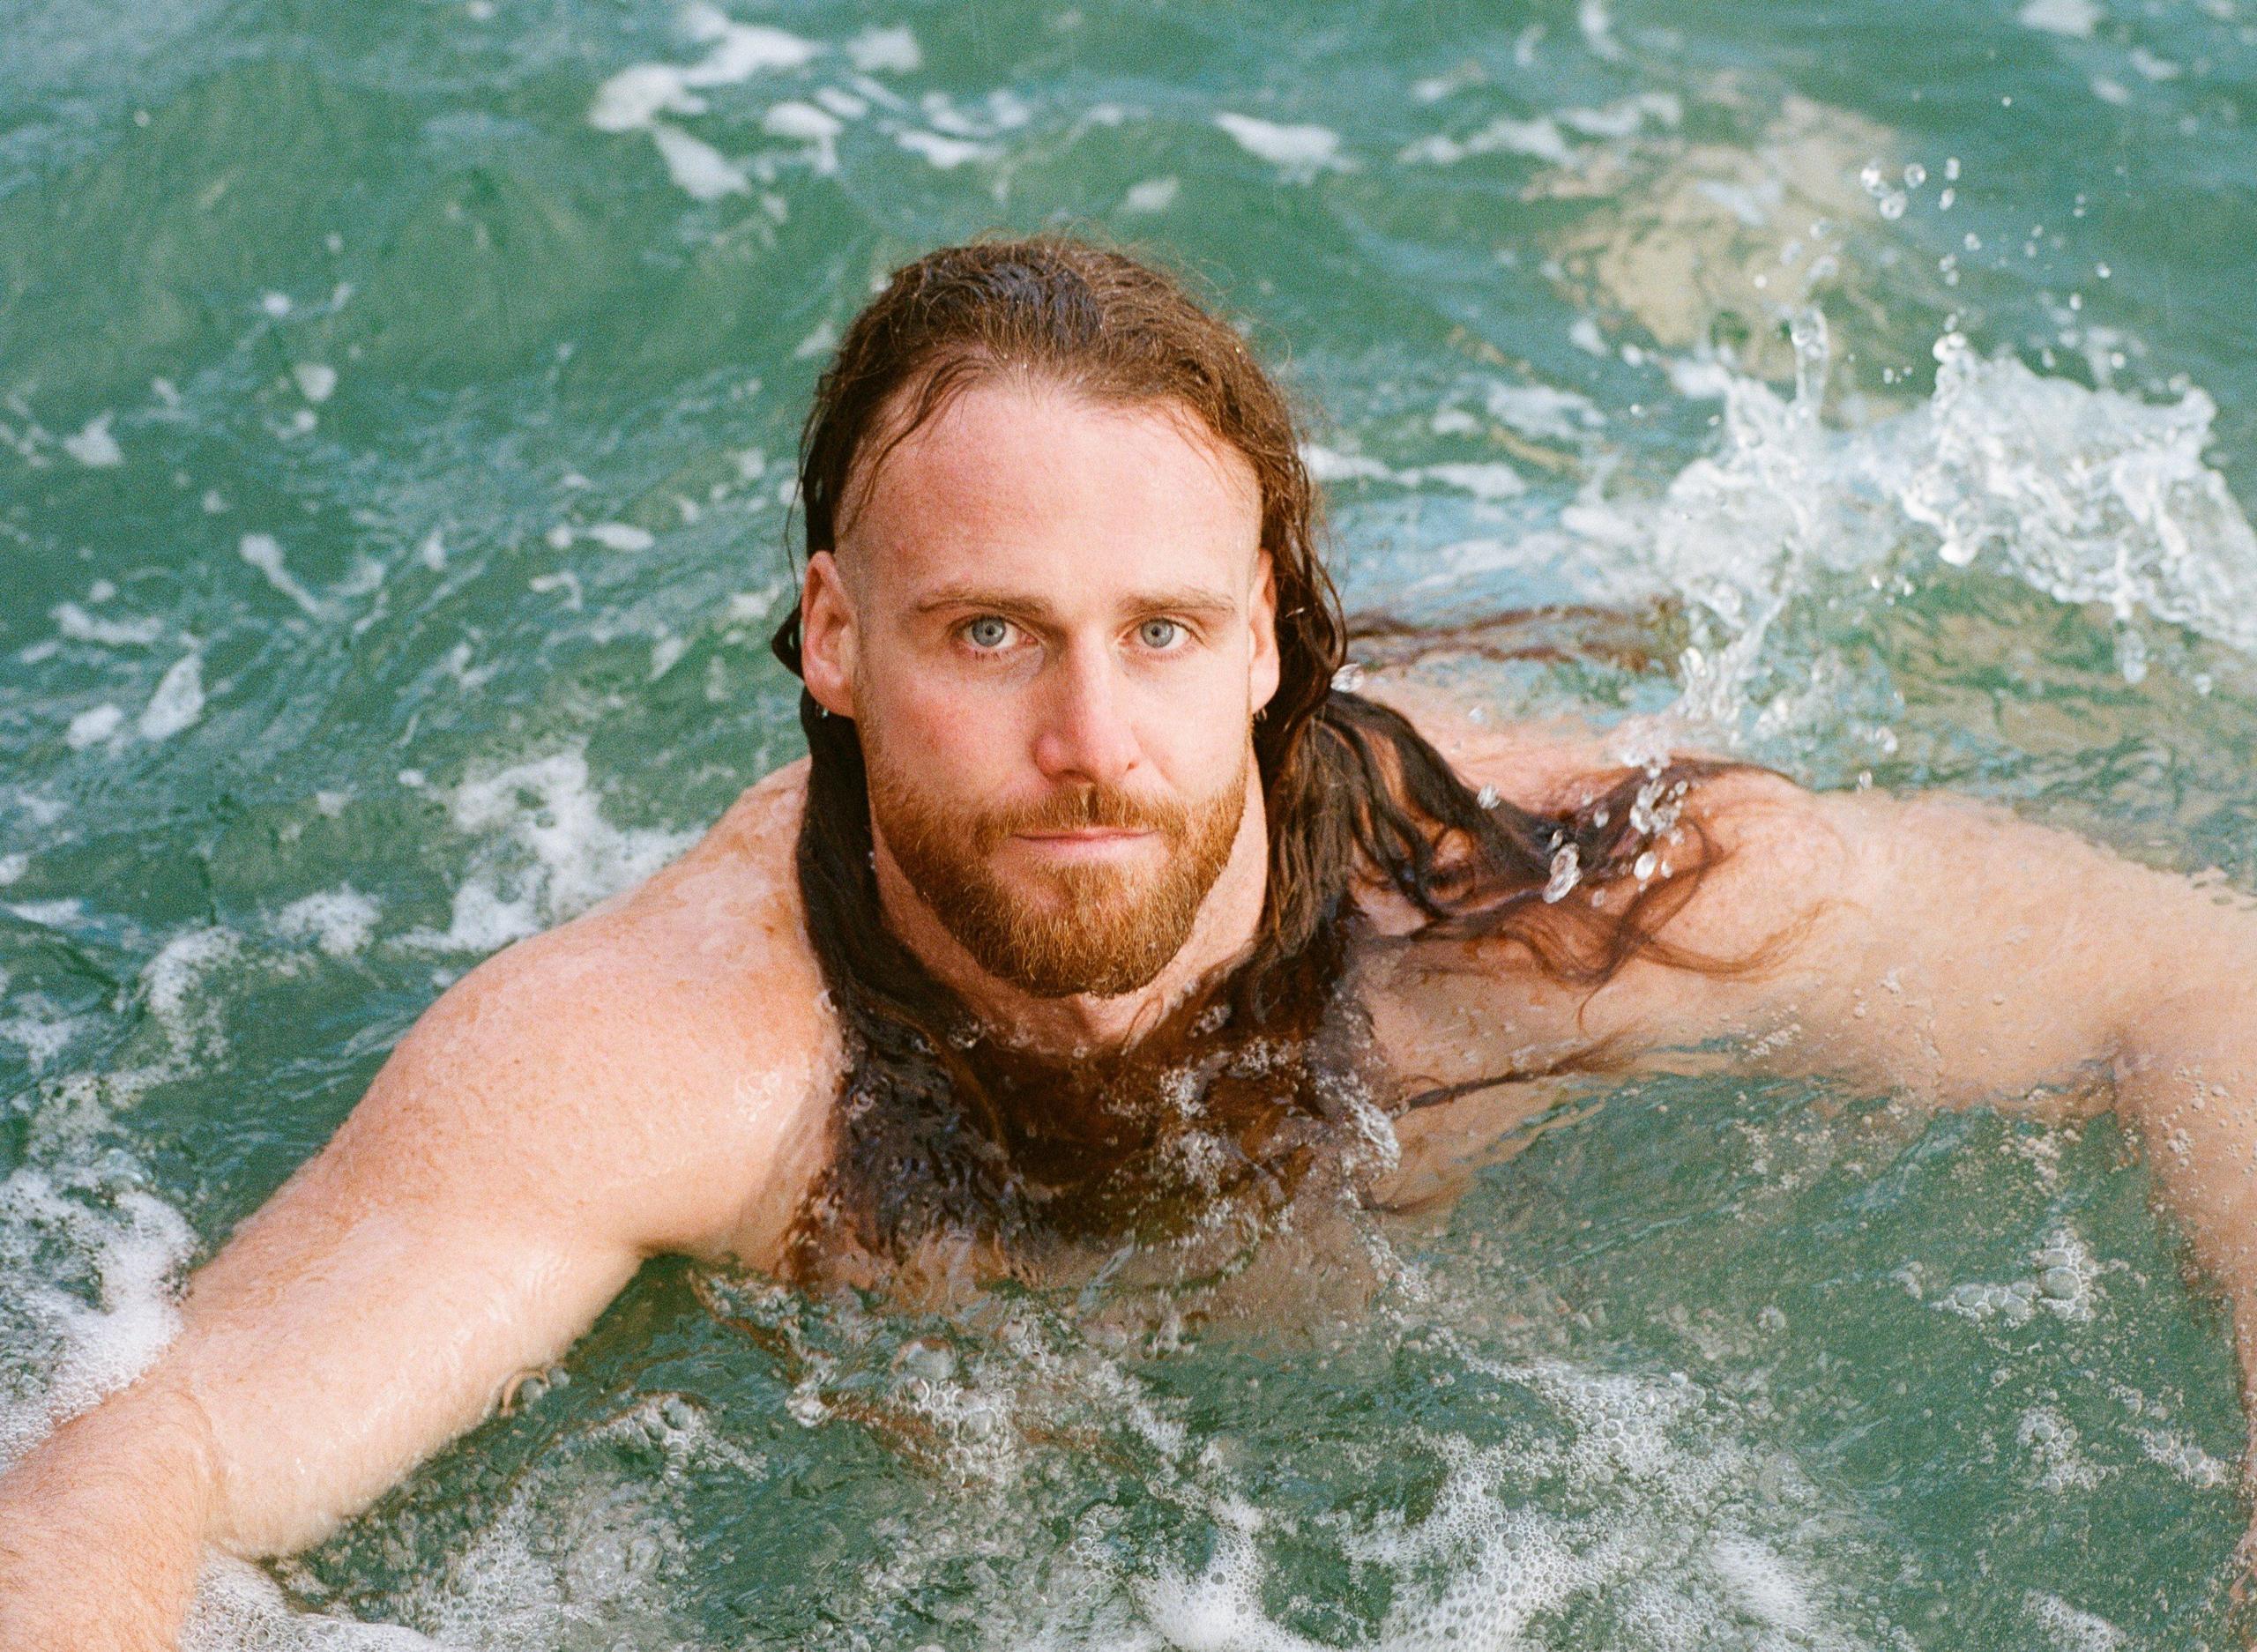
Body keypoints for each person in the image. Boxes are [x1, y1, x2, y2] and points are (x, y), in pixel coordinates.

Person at [4, 234, 2254, 1647]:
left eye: (1160, 633)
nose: (1089, 739)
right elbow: (146, 1457)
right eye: (989, 633)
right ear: (831, 641)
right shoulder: (669, 1044)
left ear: (1268, 647)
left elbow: (2191, 966)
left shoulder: (1533, 903)